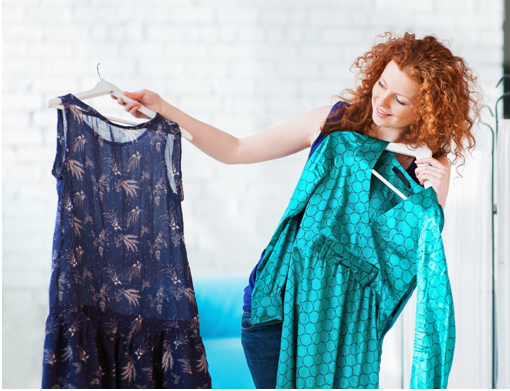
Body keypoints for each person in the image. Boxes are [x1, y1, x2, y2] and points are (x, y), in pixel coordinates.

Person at [114, 32, 481, 388]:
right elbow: (236, 150)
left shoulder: (425, 167)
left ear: (427, 109)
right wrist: (164, 110)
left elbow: (409, 259)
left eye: (401, 100)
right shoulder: (334, 123)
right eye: (382, 84)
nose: (383, 101)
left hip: (346, 334)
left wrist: (439, 192)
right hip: (278, 311)